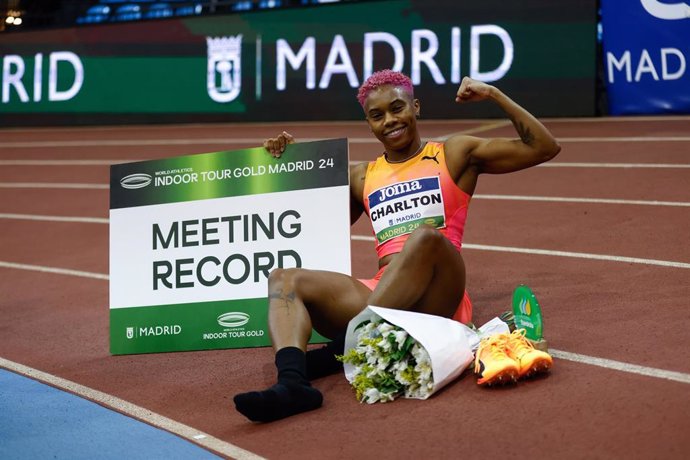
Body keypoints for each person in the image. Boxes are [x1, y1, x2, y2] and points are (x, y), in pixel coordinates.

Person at [233, 70, 561, 423]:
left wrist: (493, 94)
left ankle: (344, 349)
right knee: (284, 279)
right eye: (377, 115)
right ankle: (294, 384)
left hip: (440, 293)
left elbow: (543, 146)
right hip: (385, 293)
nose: (389, 120)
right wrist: (293, 165)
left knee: (425, 237)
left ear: (415, 107)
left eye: (397, 108)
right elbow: (313, 226)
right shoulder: (362, 176)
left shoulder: (453, 153)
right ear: (369, 124)